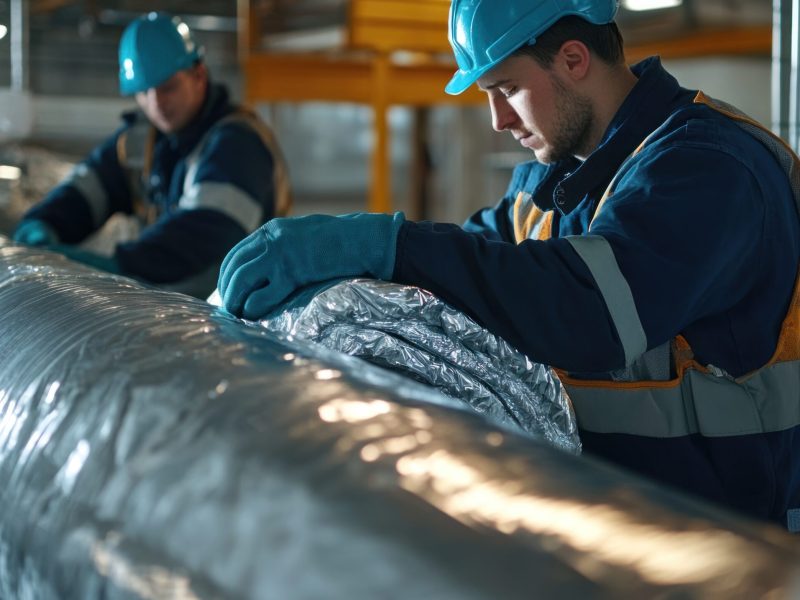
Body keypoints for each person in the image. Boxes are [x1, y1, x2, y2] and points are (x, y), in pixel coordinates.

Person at [217, 0, 800, 528]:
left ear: (573, 59)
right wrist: (340, 270)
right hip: (626, 527)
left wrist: (386, 244)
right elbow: (474, 270)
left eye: (508, 89)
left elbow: (588, 310)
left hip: (741, 548)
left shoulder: (707, 166)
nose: (497, 119)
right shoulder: (557, 183)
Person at [14, 11, 290, 298]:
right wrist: (43, 224)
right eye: (144, 91)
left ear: (199, 75)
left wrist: (118, 266)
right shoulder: (144, 141)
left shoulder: (238, 143)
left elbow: (203, 234)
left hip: (236, 311)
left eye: (168, 87)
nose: (156, 103)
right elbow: (90, 188)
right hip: (170, 307)